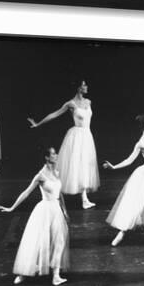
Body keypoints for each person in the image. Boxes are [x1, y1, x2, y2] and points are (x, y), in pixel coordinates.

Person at [0, 147, 70, 286]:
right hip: (44, 210)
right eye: (54, 153)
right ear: (47, 157)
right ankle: (24, 272)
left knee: (59, 240)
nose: (56, 155)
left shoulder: (56, 172)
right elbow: (26, 192)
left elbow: (59, 194)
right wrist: (11, 208)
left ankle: (56, 275)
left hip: (56, 210)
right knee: (37, 241)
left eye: (56, 153)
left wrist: (65, 211)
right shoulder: (40, 175)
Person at [27, 81, 100, 209]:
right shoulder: (70, 104)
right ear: (78, 87)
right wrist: (38, 124)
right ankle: (56, 194)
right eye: (84, 85)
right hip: (76, 136)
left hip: (87, 136)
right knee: (76, 165)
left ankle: (84, 199)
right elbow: (54, 114)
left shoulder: (88, 102)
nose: (87, 87)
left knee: (85, 165)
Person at [103, 115, 144, 246]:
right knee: (136, 204)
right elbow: (129, 160)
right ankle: (121, 233)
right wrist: (114, 167)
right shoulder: (141, 143)